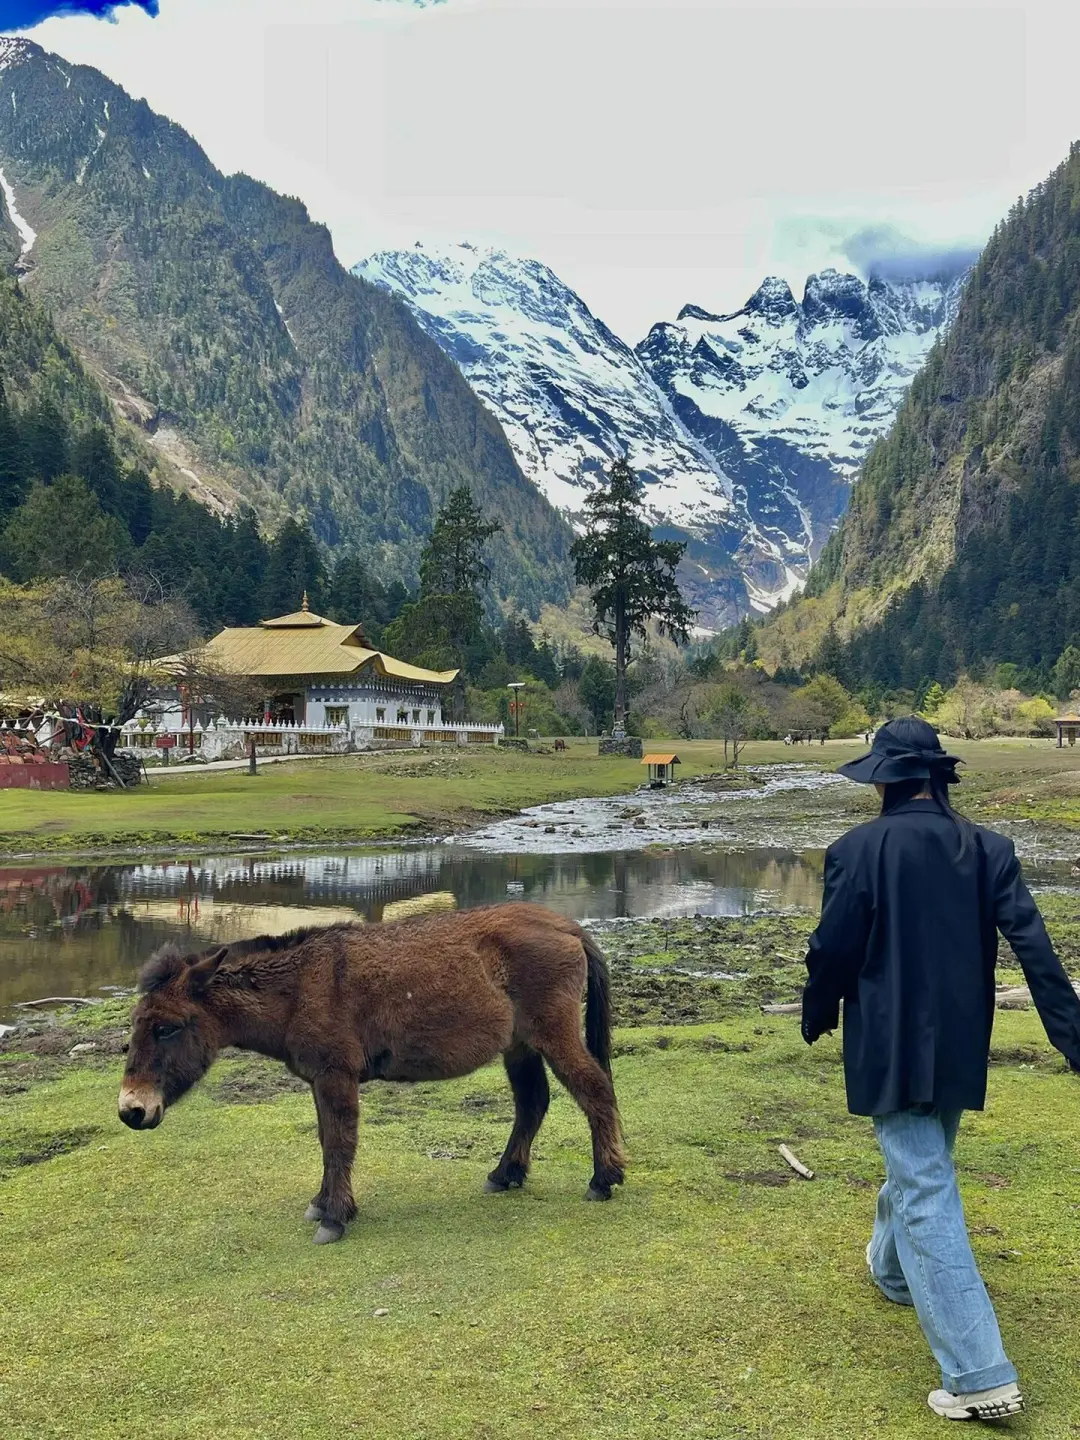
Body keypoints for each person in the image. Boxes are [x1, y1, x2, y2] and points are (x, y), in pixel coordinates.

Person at [802, 716, 1080, 1422]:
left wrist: (819, 1010)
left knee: (923, 1179)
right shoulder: (988, 849)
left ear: (886, 781)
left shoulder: (856, 851)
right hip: (960, 1040)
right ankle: (894, 1272)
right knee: (924, 1160)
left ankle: (980, 1374)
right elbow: (1037, 952)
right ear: (937, 777)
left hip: (890, 1044)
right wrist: (1071, 1036)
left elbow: (831, 949)